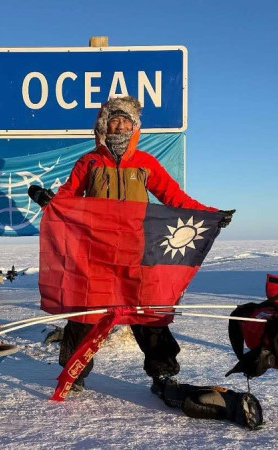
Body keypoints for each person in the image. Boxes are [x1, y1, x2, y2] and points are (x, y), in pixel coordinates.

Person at [50, 95, 234, 394]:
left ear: (134, 126)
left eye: (125, 120)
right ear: (104, 125)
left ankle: (162, 374)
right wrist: (49, 200)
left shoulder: (145, 163)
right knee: (85, 314)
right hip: (95, 252)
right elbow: (68, 196)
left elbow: (175, 198)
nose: (119, 125)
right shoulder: (90, 161)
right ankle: (75, 371)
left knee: (149, 313)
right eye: (114, 119)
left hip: (137, 252)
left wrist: (209, 214)